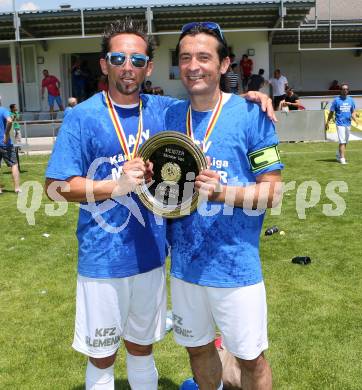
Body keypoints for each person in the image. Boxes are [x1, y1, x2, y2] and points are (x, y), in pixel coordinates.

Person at [44, 17, 276, 390]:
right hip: (103, 258)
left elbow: (212, 102)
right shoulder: (81, 116)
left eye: (137, 61)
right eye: (118, 59)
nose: (128, 67)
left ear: (149, 67)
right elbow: (54, 188)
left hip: (154, 258)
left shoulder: (163, 111)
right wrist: (113, 185)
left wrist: (255, 97)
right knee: (102, 355)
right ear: (104, 64)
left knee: (142, 349)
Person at [164, 22, 283, 390]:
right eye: (185, 57)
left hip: (236, 267)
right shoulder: (166, 117)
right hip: (185, 266)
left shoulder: (252, 115)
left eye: (204, 56)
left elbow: (272, 193)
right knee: (198, 351)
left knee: (250, 358)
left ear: (224, 64)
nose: (193, 66)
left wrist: (221, 193)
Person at [325, 83, 357, 164]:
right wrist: (327, 122)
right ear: (341, 90)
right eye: (343, 89)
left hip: (348, 123)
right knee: (342, 141)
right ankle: (342, 158)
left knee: (345, 141)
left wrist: (354, 118)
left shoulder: (351, 100)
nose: (345, 90)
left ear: (348, 91)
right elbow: (331, 112)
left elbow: (352, 111)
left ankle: (338, 154)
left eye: (346, 89)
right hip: (339, 123)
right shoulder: (336, 100)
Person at [0, 98, 21, 194]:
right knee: (14, 164)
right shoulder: (3, 110)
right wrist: (6, 133)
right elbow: (9, 121)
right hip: (5, 143)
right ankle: (17, 188)